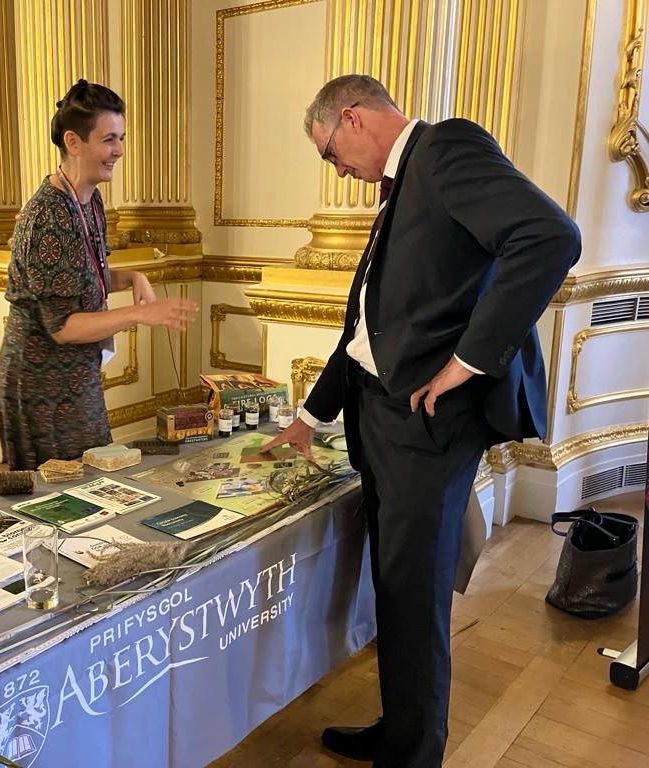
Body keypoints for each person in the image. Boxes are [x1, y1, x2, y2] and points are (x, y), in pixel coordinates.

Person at [263, 75, 580, 767]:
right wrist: (311, 419)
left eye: (329, 154)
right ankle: (399, 728)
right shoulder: (401, 187)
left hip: (426, 427)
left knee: (417, 599)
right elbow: (368, 329)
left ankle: (414, 754)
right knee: (397, 592)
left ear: (350, 119)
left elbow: (551, 236)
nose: (339, 172)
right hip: (381, 422)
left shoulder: (445, 149)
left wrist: (468, 360)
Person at [0, 80, 197, 470]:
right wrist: (139, 314)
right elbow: (62, 326)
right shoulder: (47, 218)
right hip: (40, 384)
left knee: (95, 477)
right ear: (73, 142)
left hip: (76, 377)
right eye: (108, 140)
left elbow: (87, 273)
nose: (119, 151)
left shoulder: (90, 199)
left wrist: (133, 277)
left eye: (121, 138)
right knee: (57, 497)